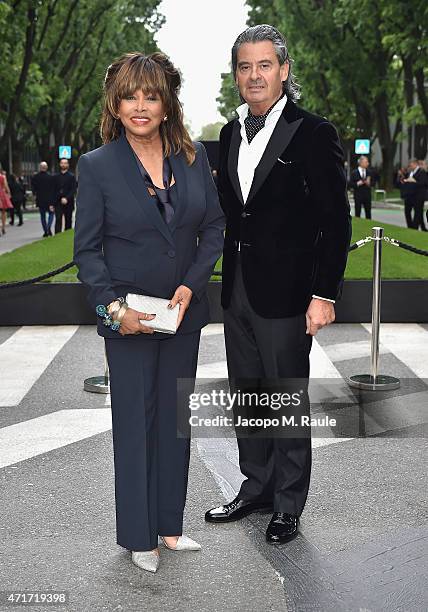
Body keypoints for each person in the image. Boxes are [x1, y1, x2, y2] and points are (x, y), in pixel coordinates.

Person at [73, 51, 225, 573]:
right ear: (115, 105)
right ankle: (138, 535)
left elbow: (214, 228)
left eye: (151, 96)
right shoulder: (96, 167)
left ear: (166, 104)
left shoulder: (192, 157)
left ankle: (168, 525)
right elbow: (87, 253)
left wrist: (190, 286)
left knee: (173, 423)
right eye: (131, 96)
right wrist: (114, 311)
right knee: (134, 425)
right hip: (130, 317)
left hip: (182, 314)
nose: (141, 106)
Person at [205, 25, 351, 545]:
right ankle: (257, 486)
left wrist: (324, 293)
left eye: (264, 65)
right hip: (237, 288)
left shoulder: (313, 133)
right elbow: (227, 211)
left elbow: (336, 221)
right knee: (247, 395)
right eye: (245, 67)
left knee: (285, 397)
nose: (254, 75)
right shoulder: (228, 133)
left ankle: (288, 503)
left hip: (289, 293)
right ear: (237, 75)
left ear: (284, 70)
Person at [400, 159, 427, 230]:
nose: (410, 166)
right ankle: (410, 226)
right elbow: (406, 180)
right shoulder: (410, 172)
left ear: (415, 164)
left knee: (418, 213)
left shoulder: (422, 172)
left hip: (418, 196)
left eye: (411, 165)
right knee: (407, 212)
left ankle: (415, 228)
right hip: (409, 196)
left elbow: (424, 183)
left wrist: (414, 181)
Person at [31, 162, 56, 237]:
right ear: (46, 167)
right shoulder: (51, 177)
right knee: (51, 214)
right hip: (49, 200)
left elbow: (33, 189)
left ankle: (45, 230)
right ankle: (48, 228)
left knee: (42, 216)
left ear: (40, 167)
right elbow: (53, 189)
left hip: (40, 199)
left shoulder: (35, 177)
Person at [54, 158, 77, 233]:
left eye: (65, 163)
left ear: (68, 165)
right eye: (62, 163)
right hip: (58, 201)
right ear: (60, 164)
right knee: (58, 219)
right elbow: (53, 190)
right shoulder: (56, 176)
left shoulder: (71, 176)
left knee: (68, 220)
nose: (63, 164)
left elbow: (73, 189)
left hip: (69, 202)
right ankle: (57, 237)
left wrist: (66, 198)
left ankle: (67, 234)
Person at [0, 168, 14, 236]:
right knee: (3, 211)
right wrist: (9, 193)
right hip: (2, 194)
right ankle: (3, 227)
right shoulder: (3, 177)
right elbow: (6, 186)